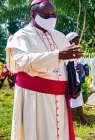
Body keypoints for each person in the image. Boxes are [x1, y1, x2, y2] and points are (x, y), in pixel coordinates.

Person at [5, 0, 84, 139]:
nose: (51, 18)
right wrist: (57, 55)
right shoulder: (22, 36)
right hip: (35, 97)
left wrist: (74, 87)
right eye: (46, 15)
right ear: (34, 14)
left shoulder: (59, 36)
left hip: (60, 96)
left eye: (54, 15)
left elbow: (69, 66)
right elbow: (23, 61)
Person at [66, 32, 91, 127]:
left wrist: (80, 67)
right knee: (68, 101)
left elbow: (83, 63)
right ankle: (69, 121)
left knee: (78, 99)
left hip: (76, 79)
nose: (77, 44)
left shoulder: (77, 52)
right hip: (68, 80)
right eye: (75, 42)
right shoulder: (65, 52)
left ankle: (82, 120)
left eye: (77, 42)